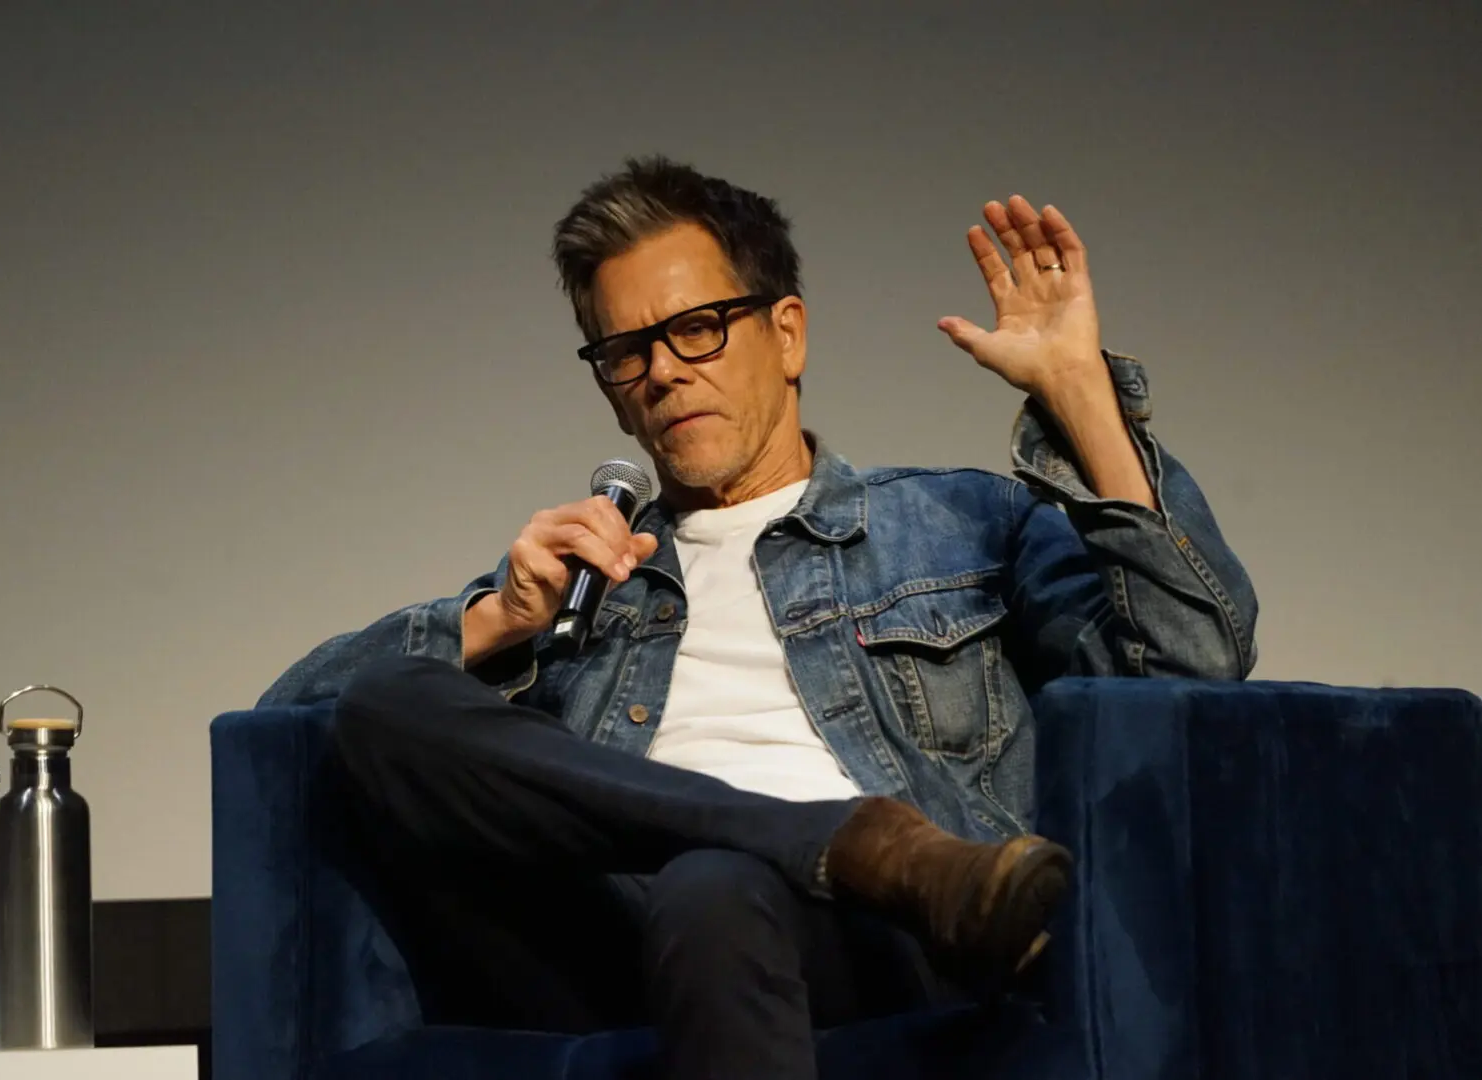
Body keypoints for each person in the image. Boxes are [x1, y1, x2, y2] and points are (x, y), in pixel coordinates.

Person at [260, 156, 1259, 1080]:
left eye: (696, 328)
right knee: (388, 698)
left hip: (886, 940)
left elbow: (1190, 662)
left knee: (713, 886)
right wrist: (498, 621)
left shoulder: (958, 523)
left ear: (787, 334)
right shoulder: (581, 583)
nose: (662, 370)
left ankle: (852, 859)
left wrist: (1080, 395)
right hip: (624, 946)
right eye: (624, 351)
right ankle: (850, 839)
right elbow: (291, 722)